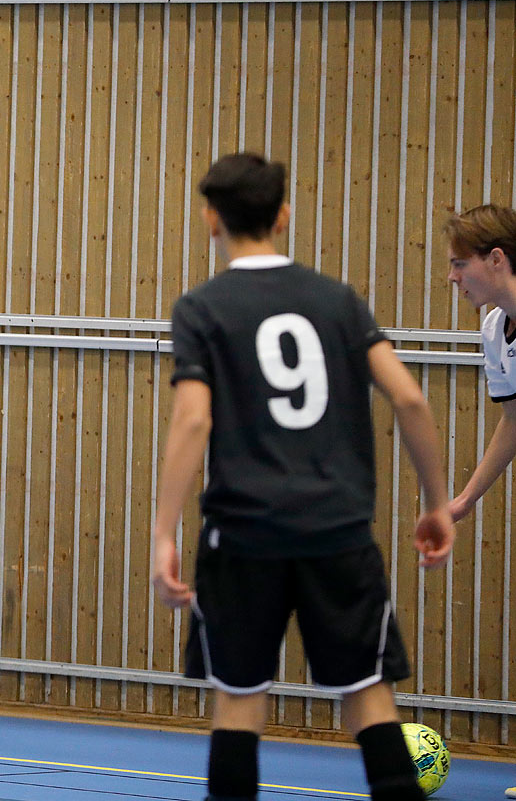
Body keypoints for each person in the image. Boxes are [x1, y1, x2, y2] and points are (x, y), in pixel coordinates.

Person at [150, 153, 454, 801]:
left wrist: (163, 532)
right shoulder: (338, 301)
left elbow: (193, 420)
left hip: (243, 536)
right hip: (337, 530)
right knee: (370, 698)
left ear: (211, 218)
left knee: (239, 703)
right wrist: (437, 504)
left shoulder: (202, 308)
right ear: (284, 215)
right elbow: (409, 399)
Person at [442, 203, 516, 801]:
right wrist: (466, 497)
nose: (452, 276)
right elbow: (514, 422)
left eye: (459, 264)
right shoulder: (495, 328)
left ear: (496, 260)